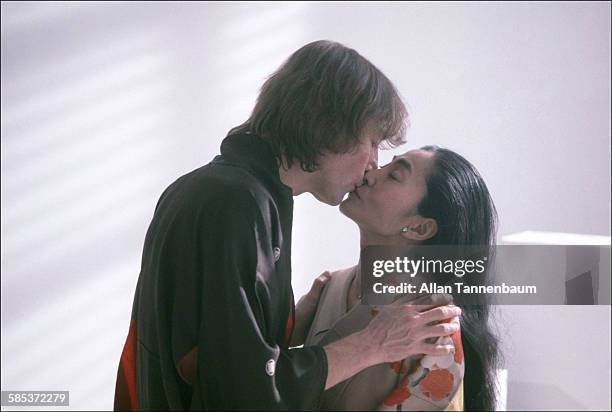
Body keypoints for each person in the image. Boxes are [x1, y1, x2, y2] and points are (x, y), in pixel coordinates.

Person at [113, 40, 461, 411]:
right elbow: (239, 390)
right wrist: (372, 344)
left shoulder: (220, 190)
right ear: (331, 128)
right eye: (373, 142)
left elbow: (204, 348)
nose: (373, 165)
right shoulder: (236, 203)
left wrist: (287, 326)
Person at [305, 146, 501, 411]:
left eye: (394, 175)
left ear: (420, 227)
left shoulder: (433, 325)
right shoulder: (331, 286)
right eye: (386, 165)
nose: (371, 173)